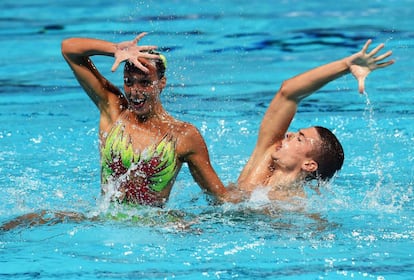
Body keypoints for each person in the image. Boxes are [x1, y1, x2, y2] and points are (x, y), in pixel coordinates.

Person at [60, 32, 238, 207]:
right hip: (103, 221)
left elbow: (219, 199)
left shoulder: (183, 136)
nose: (135, 91)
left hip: (153, 229)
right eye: (128, 82)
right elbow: (69, 48)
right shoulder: (114, 111)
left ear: (162, 83)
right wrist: (115, 49)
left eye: (145, 83)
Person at [236, 39, 394, 201]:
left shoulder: (296, 210)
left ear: (309, 165)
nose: (289, 134)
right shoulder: (268, 153)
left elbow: (225, 199)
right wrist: (345, 65)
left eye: (299, 138)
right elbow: (287, 93)